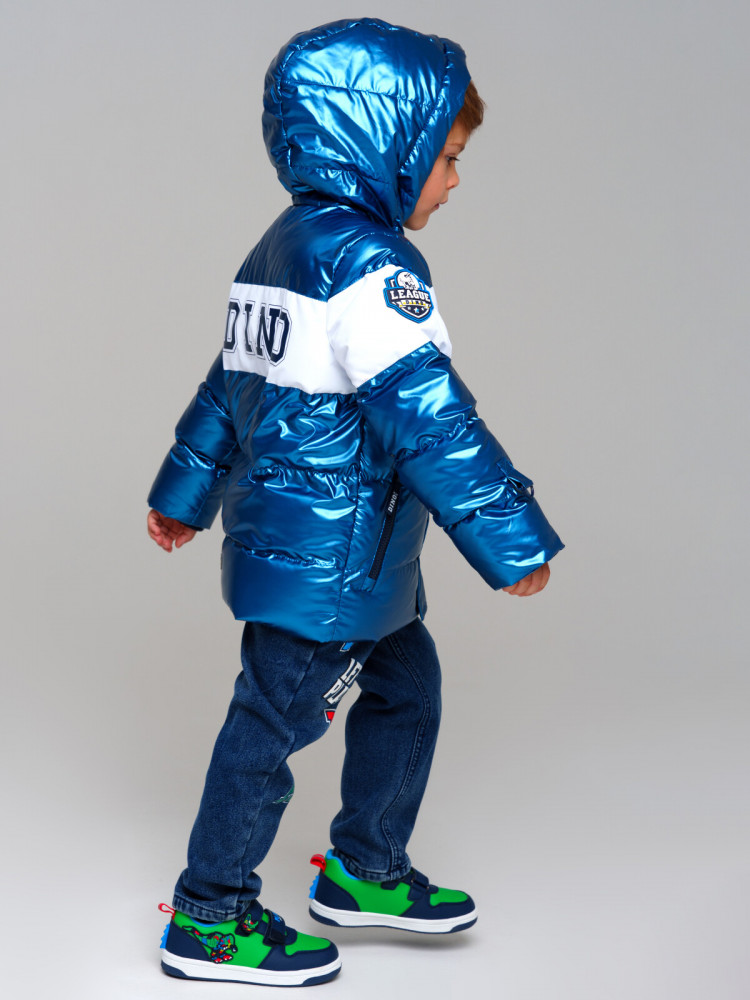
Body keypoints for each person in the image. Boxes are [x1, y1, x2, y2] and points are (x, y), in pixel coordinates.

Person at [148, 17, 563, 988]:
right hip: (330, 567)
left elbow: (226, 387)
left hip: (352, 558)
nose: (454, 182)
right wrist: (512, 541)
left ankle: (365, 868)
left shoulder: (281, 247)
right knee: (271, 726)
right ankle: (209, 913)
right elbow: (430, 417)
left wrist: (183, 493)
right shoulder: (374, 270)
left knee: (407, 690)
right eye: (447, 159)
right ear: (386, 148)